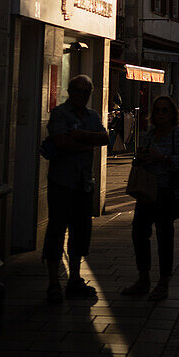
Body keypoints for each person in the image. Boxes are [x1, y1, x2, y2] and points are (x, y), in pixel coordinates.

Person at [43, 75, 109, 304]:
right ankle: (53, 283)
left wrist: (80, 136)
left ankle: (75, 278)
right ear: (70, 92)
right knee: (56, 230)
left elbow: (104, 137)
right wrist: (87, 143)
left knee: (81, 232)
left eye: (86, 92)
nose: (82, 95)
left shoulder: (92, 115)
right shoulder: (60, 113)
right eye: (78, 91)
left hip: (84, 182)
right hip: (62, 182)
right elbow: (61, 142)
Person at [122, 96, 179, 301]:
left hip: (166, 193)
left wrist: (162, 158)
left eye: (165, 111)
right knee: (139, 234)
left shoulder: (177, 135)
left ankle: (163, 282)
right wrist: (141, 157)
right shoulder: (150, 134)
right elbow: (139, 157)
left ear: (172, 114)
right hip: (146, 192)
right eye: (158, 110)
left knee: (164, 237)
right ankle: (143, 278)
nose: (161, 114)